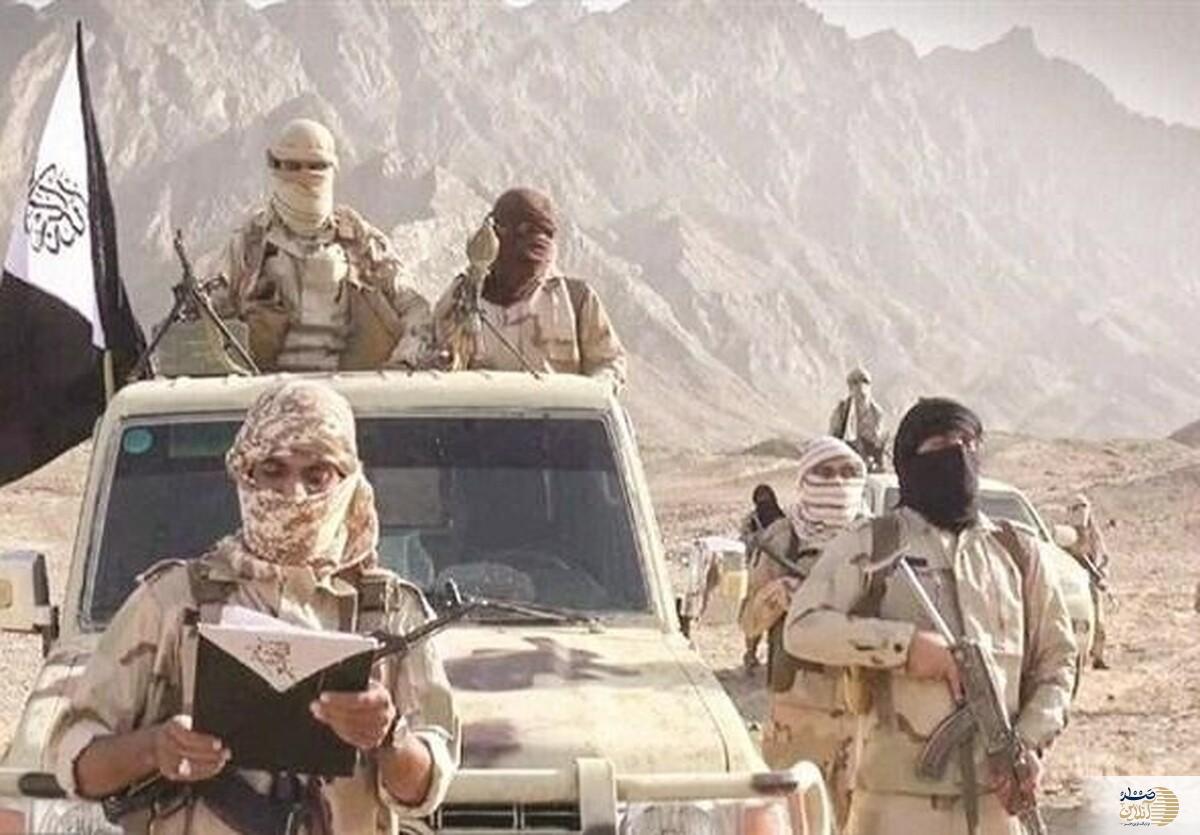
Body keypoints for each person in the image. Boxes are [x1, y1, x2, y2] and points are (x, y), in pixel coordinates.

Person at [50, 380, 458, 833]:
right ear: (246, 475)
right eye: (273, 470)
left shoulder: (390, 612)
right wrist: (155, 748)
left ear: (347, 482)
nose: (293, 493)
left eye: (317, 476)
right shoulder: (172, 602)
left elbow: (425, 789)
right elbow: (77, 760)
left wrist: (388, 735)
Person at [785, 398, 1076, 835]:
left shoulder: (1017, 552)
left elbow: (1058, 663)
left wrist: (1029, 743)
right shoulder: (874, 544)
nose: (958, 456)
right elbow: (802, 629)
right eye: (941, 445)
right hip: (896, 806)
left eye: (968, 444)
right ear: (909, 461)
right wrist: (904, 648)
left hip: (998, 801)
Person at [211, 119, 433, 372]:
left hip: (350, 388)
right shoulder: (249, 245)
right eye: (293, 166)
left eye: (315, 166)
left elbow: (415, 308)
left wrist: (403, 362)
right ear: (276, 167)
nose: (304, 176)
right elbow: (207, 321)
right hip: (264, 388)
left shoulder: (361, 242)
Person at [737, 439, 866, 826]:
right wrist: (781, 595)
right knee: (794, 822)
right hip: (797, 717)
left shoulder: (875, 538)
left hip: (863, 714)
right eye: (825, 473)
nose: (838, 483)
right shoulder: (781, 540)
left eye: (848, 473)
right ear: (806, 478)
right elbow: (747, 621)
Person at [433, 187, 627, 392]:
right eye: (523, 232)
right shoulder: (462, 297)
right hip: (478, 411)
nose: (535, 246)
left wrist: (593, 391)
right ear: (496, 235)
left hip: (557, 412)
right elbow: (434, 362)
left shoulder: (576, 300)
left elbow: (609, 362)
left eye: (545, 234)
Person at [738, 484, 786, 672]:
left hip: (778, 574)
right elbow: (744, 544)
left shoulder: (783, 520)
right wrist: (757, 539)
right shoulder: (751, 521)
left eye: (767, 499)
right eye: (760, 499)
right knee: (755, 617)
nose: (764, 503)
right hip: (757, 573)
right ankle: (750, 655)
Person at [1065, 493, 1111, 670]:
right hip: (1074, 584)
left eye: (1083, 507)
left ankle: (1098, 657)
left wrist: (1101, 574)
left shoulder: (1094, 534)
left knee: (1099, 621)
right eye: (1077, 508)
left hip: (1092, 582)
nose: (1081, 511)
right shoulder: (1067, 534)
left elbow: (1104, 557)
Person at [829, 366, 887, 472]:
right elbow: (833, 439)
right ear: (850, 387)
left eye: (864, 381)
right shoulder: (842, 410)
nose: (860, 386)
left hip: (869, 463)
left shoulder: (876, 413)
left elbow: (877, 441)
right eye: (855, 382)